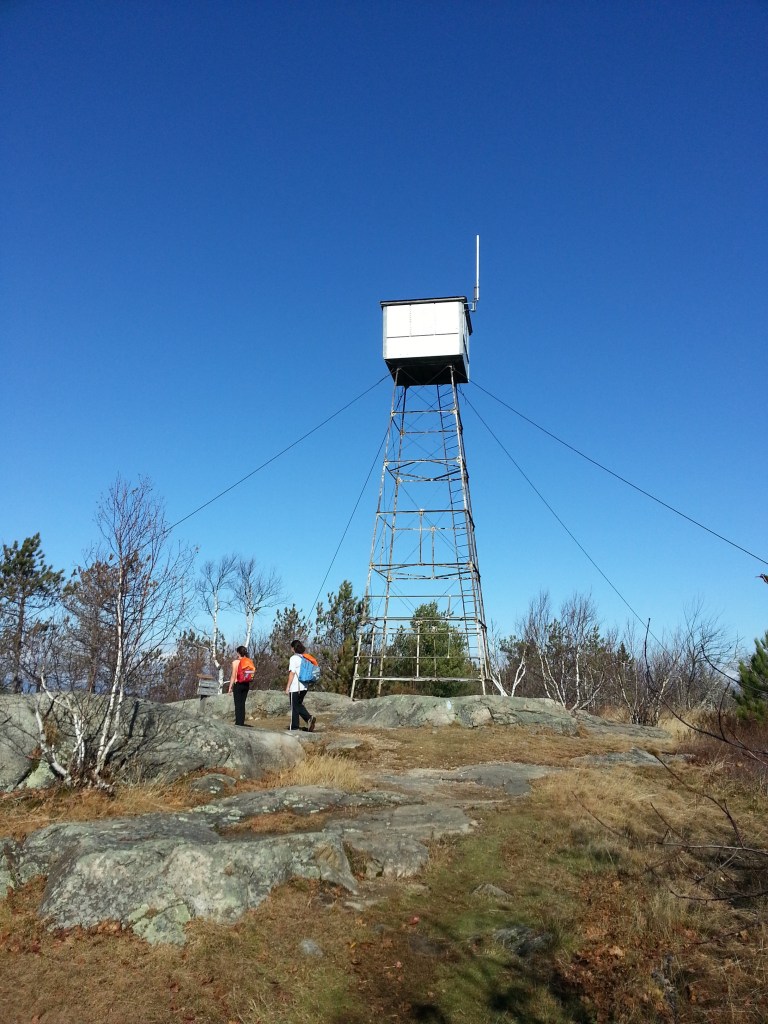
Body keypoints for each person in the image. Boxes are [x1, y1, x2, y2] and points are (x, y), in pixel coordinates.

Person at [286, 639, 316, 732]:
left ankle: (294, 727)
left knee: (294, 707)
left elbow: (292, 673)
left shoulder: (293, 658)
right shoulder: (305, 658)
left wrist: (288, 687)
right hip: (305, 686)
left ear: (293, 648)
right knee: (298, 705)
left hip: (296, 687)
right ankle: (308, 718)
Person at [228, 645, 255, 726]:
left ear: (238, 653)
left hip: (238, 684)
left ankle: (238, 723)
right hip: (246, 684)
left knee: (238, 704)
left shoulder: (235, 662)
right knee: (242, 704)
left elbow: (233, 676)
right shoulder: (249, 661)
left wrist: (230, 687)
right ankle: (241, 722)